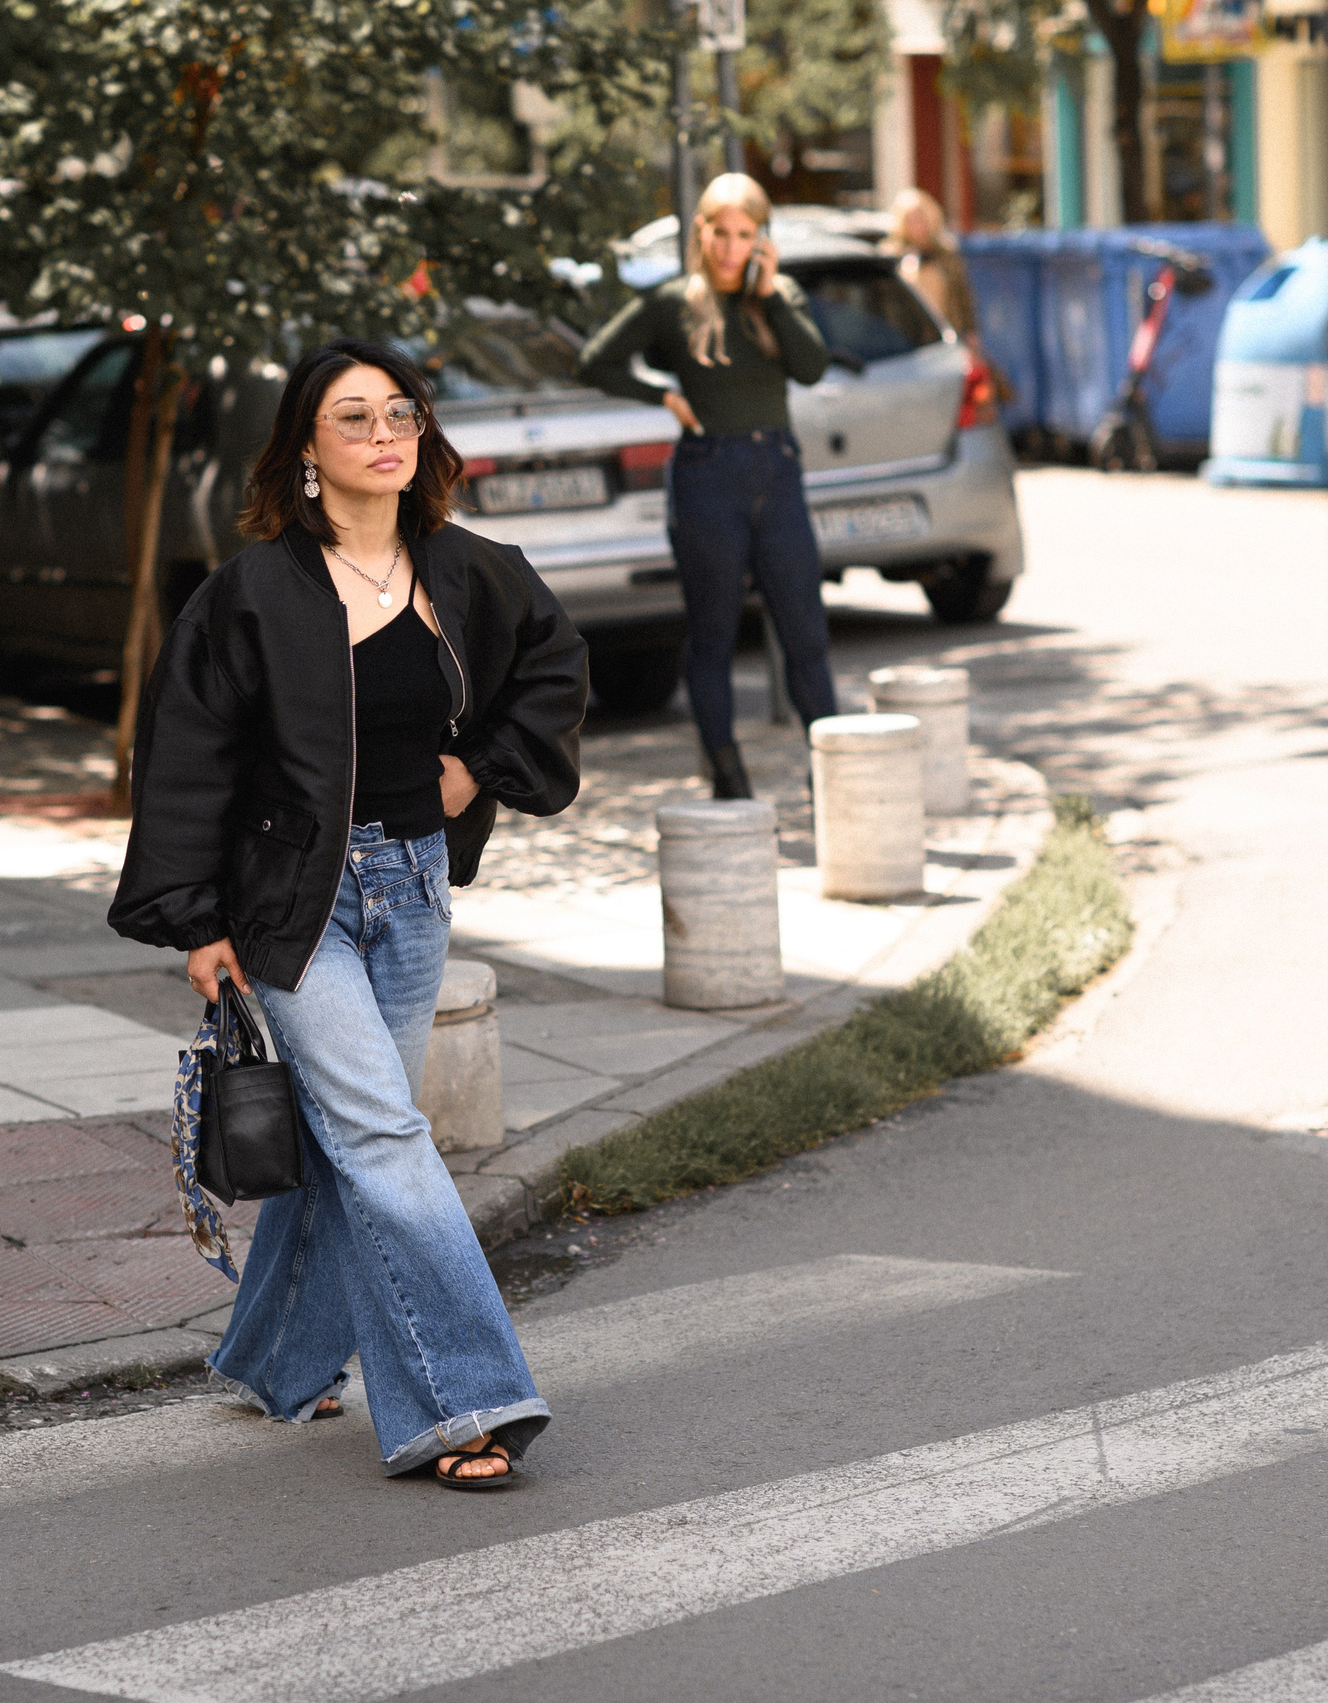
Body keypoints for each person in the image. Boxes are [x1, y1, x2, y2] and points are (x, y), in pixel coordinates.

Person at [108, 338, 588, 1488]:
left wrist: (478, 771)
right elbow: (185, 756)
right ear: (307, 450)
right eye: (354, 417)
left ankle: (276, 1356)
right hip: (292, 905)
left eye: (401, 414)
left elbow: (556, 669)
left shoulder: (471, 571)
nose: (384, 434)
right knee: (382, 1134)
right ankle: (462, 1397)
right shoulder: (255, 593)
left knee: (347, 1144)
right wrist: (195, 922)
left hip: (415, 889)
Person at [578, 172, 837, 800]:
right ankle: (728, 775)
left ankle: (834, 769)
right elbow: (596, 361)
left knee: (805, 628)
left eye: (744, 234)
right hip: (707, 477)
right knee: (715, 631)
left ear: (760, 239)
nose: (729, 246)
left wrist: (771, 294)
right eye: (720, 231)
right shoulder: (673, 302)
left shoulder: (780, 296)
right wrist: (664, 396)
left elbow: (811, 367)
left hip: (777, 473)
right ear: (702, 231)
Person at [887, 188, 980, 347]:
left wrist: (970, 332)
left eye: (920, 218)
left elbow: (963, 297)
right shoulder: (892, 256)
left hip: (947, 336)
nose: (917, 225)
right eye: (911, 219)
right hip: (908, 342)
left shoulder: (945, 254)